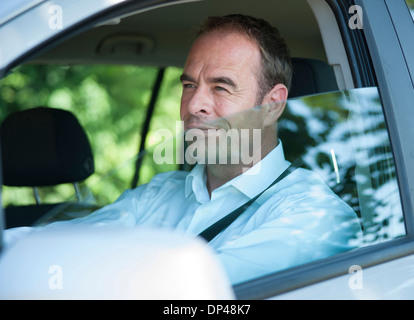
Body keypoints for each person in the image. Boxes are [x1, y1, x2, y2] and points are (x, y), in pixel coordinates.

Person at [5, 14, 362, 285]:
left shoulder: (315, 216)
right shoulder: (158, 195)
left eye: (221, 88)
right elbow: (55, 245)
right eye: (190, 84)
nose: (194, 105)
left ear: (272, 105)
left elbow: (187, 290)